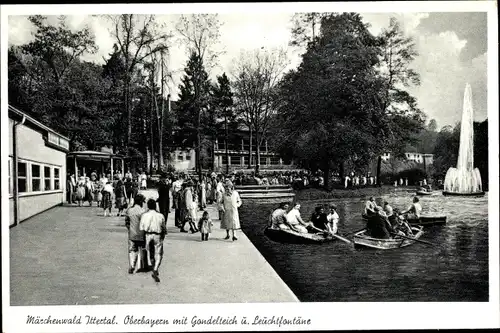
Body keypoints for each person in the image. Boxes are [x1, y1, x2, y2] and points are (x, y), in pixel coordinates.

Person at [140, 199, 167, 283]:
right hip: (157, 235)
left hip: (148, 234)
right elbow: (163, 227)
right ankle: (155, 268)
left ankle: (151, 264)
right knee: (158, 253)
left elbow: (141, 228)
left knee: (149, 251)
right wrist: (164, 234)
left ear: (148, 206)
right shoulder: (160, 215)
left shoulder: (144, 215)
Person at [125, 194, 146, 274]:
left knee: (132, 250)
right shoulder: (143, 211)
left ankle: (132, 265)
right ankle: (141, 266)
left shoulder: (129, 210)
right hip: (141, 234)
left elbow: (126, 223)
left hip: (132, 234)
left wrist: (130, 229)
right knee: (142, 249)